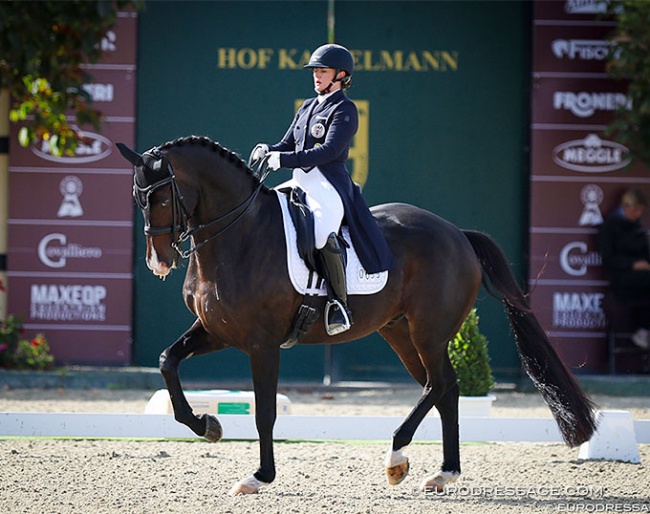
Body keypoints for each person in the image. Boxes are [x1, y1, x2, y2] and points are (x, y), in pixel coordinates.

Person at [250, 43, 395, 336]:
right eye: (315, 71)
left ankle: (338, 304)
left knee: (320, 233)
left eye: (323, 71)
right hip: (299, 182)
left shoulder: (345, 109)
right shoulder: (307, 106)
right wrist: (269, 149)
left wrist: (284, 159)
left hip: (328, 185)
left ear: (341, 75)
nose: (316, 76)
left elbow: (328, 151)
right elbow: (287, 143)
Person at [598, 187, 650, 349]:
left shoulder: (636, 226)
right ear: (627, 206)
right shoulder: (610, 226)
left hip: (641, 279)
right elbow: (608, 259)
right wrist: (633, 264)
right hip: (621, 279)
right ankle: (643, 331)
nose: (638, 215)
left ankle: (644, 329)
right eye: (636, 210)